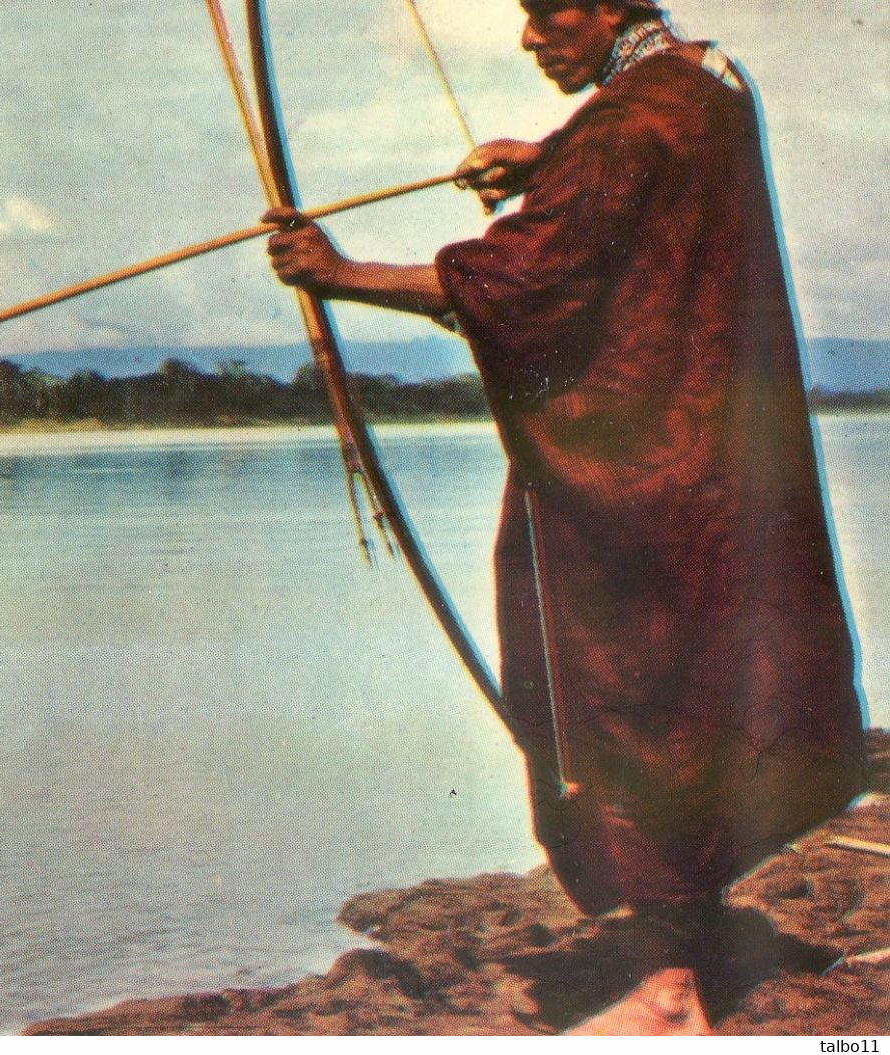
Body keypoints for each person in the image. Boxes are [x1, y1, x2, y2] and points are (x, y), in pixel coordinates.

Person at [263, 0, 867, 1035]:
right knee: (687, 692)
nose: (531, 35)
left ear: (617, 6)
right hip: (704, 464)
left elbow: (517, 279)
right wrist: (544, 159)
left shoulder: (634, 118)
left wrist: (336, 274)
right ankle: (693, 932)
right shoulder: (700, 78)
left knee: (626, 700)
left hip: (638, 476)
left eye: (553, 13)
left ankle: (671, 987)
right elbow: (627, 171)